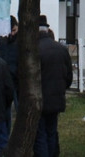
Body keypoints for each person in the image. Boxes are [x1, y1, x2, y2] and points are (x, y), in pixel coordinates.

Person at [34, 15, 72, 157]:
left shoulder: (34, 50)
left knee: (41, 134)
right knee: (51, 131)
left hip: (39, 99)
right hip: (56, 98)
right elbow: (69, 76)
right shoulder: (61, 49)